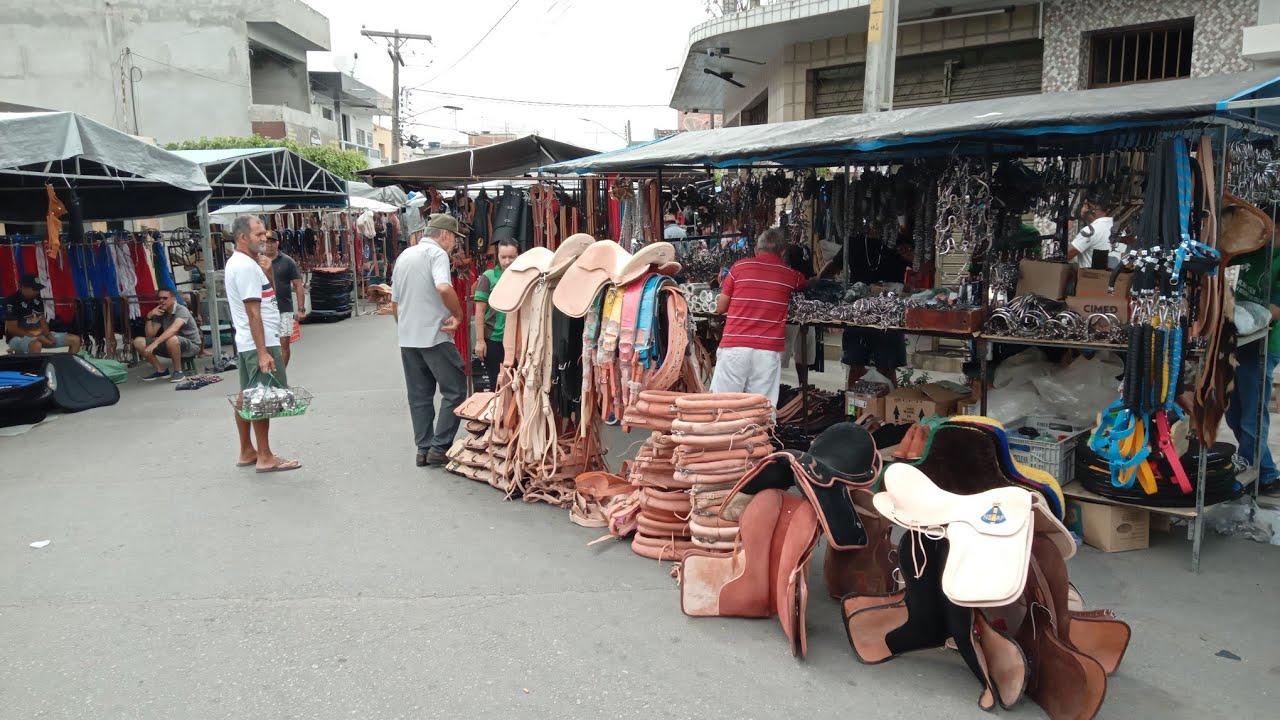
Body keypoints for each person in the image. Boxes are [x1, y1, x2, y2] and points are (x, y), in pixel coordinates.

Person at [224, 215, 301, 474]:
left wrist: (266, 270)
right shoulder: (244, 266)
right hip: (259, 341)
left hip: (252, 340)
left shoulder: (249, 263)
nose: (264, 239)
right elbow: (253, 312)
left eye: (265, 234)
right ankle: (265, 456)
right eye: (258, 235)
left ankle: (247, 450)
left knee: (248, 395)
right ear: (243, 237)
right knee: (262, 397)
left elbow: (266, 296)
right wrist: (263, 352)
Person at [711, 228, 820, 408]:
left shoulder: (738, 267)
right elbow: (805, 283)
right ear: (783, 253)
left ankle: (723, 435)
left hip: (735, 346)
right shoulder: (790, 275)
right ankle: (760, 436)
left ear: (756, 250)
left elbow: (721, 307)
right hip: (766, 352)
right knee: (761, 409)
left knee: (722, 406)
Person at [391, 213, 467, 468]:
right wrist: (458, 314)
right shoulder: (436, 255)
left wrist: (405, 327)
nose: (455, 243)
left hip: (408, 337)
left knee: (419, 395)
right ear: (444, 235)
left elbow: (395, 302)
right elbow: (444, 288)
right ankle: (439, 447)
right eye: (454, 238)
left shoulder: (405, 255)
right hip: (435, 334)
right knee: (455, 390)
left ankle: (423, 449)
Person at [1226, 245, 1280, 497]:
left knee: (1252, 417)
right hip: (1236, 342)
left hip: (1263, 345)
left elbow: (1274, 311)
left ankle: (1251, 475)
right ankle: (1267, 473)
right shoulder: (1247, 251)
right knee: (1233, 415)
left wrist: (1241, 319)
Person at [473, 239, 519, 391]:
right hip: (494, 340)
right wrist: (480, 341)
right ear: (497, 257)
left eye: (512, 257)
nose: (507, 261)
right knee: (498, 385)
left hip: (518, 341)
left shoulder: (523, 277)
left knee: (518, 385)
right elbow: (479, 311)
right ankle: (499, 415)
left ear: (519, 256)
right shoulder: (488, 277)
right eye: (503, 257)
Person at [134, 287, 202, 383]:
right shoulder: (161, 312)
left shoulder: (181, 310)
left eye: (165, 298)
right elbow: (150, 334)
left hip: (191, 346)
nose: (161, 301)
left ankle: (178, 372)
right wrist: (149, 316)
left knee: (171, 338)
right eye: (160, 298)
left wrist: (155, 343)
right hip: (170, 344)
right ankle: (161, 371)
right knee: (138, 341)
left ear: (173, 299)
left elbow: (173, 329)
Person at [4, 274, 81, 355]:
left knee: (75, 340)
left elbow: (42, 319)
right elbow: (13, 330)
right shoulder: (11, 301)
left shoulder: (37, 297)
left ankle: (68, 366)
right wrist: (36, 337)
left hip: (40, 335)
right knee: (37, 344)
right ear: (24, 287)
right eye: (34, 289)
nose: (37, 292)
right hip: (18, 337)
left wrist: (48, 335)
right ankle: (33, 367)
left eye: (38, 289)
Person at [263, 231, 305, 367]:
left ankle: (281, 375)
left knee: (284, 344)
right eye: (266, 242)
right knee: (266, 345)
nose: (269, 245)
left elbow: (298, 285)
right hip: (263, 311)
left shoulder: (287, 261)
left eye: (272, 242)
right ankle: (269, 376)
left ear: (277, 243)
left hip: (284, 309)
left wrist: (301, 309)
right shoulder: (257, 261)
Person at [1066, 198, 1127, 269]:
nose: (1082, 209)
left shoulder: (1090, 230)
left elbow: (1066, 256)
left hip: (1091, 278)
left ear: (1091, 209)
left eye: (1084, 205)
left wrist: (1068, 231)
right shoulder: (1121, 231)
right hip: (1112, 278)